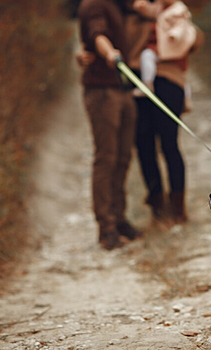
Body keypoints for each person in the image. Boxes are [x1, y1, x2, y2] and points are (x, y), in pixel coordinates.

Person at [127, 0, 203, 226]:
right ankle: (158, 206)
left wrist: (183, 36)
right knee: (143, 145)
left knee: (170, 144)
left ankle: (178, 208)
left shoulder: (173, 11)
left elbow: (196, 38)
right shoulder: (130, 16)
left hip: (170, 81)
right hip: (138, 83)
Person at [77, 0, 143, 249]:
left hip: (122, 90)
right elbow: (98, 34)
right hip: (102, 91)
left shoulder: (119, 4)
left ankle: (118, 218)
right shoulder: (94, 4)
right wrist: (110, 54)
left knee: (123, 157)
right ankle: (106, 229)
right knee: (106, 158)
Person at [132, 0, 196, 110]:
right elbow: (150, 11)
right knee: (147, 56)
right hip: (162, 47)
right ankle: (147, 83)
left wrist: (174, 35)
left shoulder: (179, 9)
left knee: (182, 74)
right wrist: (142, 8)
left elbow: (181, 26)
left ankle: (186, 99)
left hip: (170, 45)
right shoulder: (159, 7)